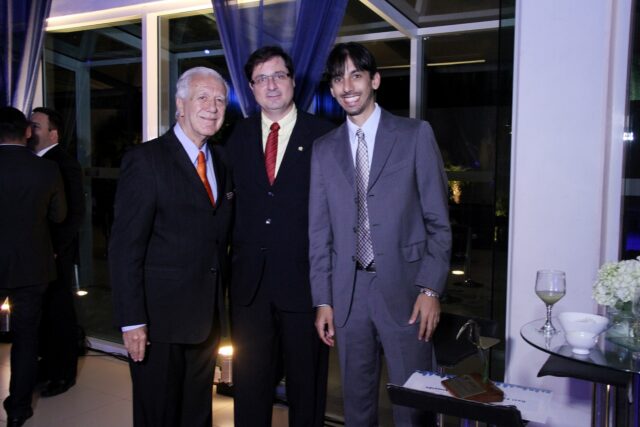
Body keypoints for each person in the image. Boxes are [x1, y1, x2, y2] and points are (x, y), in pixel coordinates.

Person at [309, 42, 452, 426]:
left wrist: (430, 289)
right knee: (356, 407)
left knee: (413, 406)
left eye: (356, 75)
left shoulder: (414, 135)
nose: (347, 86)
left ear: (374, 80)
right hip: (348, 295)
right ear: (332, 89)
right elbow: (319, 233)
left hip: (408, 291)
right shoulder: (323, 150)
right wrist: (323, 299)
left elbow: (439, 221)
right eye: (338, 79)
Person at [109, 67, 233, 427]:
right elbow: (125, 248)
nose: (212, 107)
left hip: (206, 320)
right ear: (180, 105)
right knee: (158, 415)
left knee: (197, 414)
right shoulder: (145, 160)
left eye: (220, 100)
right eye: (202, 97)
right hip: (157, 324)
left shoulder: (222, 160)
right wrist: (132, 321)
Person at [227, 45, 334, 427]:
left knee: (307, 388)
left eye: (278, 76)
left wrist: (328, 295)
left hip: (305, 286)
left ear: (292, 81)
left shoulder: (325, 135)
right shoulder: (235, 137)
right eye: (261, 79)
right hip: (249, 288)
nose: (271, 85)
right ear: (251, 88)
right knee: (250, 386)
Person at [0, 106, 67, 427]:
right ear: (27, 132)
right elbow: (59, 216)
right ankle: (18, 410)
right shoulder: (46, 169)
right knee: (27, 339)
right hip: (32, 265)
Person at [29, 107, 86, 397]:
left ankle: (63, 374)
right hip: (35, 253)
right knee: (42, 314)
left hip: (55, 255)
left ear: (53, 134)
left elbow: (75, 214)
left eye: (37, 126)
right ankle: (45, 366)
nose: (31, 130)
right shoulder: (31, 161)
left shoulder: (64, 163)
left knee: (59, 313)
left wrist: (54, 250)